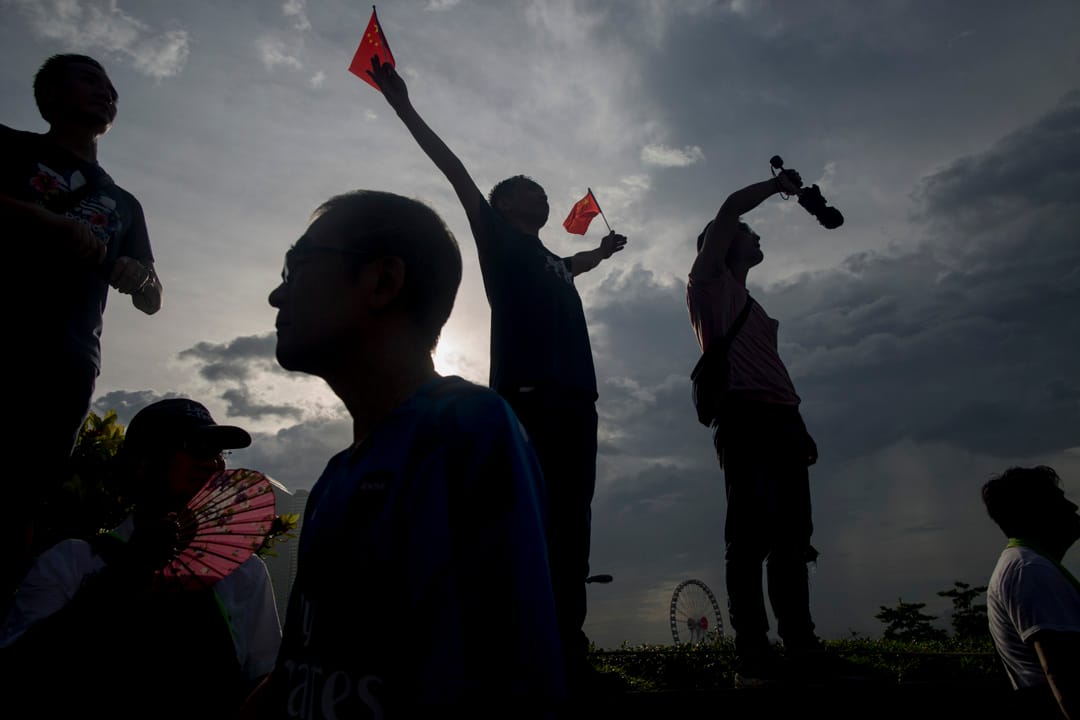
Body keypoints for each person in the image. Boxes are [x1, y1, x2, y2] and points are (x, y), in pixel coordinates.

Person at [244, 190, 564, 718]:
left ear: (382, 281)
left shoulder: (468, 428)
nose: (278, 295)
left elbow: (518, 673)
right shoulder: (334, 478)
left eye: (296, 266)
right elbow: (302, 666)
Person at [367, 56, 627, 696]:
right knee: (527, 520)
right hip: (527, 397)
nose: (542, 196)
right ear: (504, 202)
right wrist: (403, 104)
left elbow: (576, 264)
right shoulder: (495, 236)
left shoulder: (550, 259)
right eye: (529, 190)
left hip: (578, 400)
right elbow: (453, 169)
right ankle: (514, 656)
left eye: (542, 191)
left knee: (573, 522)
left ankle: (569, 652)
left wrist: (602, 252)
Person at [0, 397, 281, 720]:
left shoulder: (243, 572)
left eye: (218, 452)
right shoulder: (72, 561)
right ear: (140, 465)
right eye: (194, 448)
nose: (212, 464)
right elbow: (18, 672)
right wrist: (126, 573)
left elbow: (264, 682)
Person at [1, 53, 163, 602]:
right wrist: (48, 223)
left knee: (21, 498)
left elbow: (152, 298)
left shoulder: (125, 203)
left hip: (66, 362)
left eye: (111, 85)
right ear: (49, 96)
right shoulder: (11, 147)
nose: (107, 91)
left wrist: (138, 277)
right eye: (89, 79)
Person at [686, 169, 825, 688]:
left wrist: (799, 424)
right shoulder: (708, 285)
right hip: (744, 418)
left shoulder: (753, 306)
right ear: (721, 245)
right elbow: (728, 209)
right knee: (749, 538)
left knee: (792, 538)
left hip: (782, 418)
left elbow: (773, 371)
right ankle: (753, 655)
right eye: (748, 233)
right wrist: (775, 186)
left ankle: (802, 647)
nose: (756, 235)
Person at [983, 465, 1080, 719]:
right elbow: (1060, 671)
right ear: (1037, 513)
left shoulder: (1025, 565)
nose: (1073, 507)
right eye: (1058, 501)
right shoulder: (1029, 570)